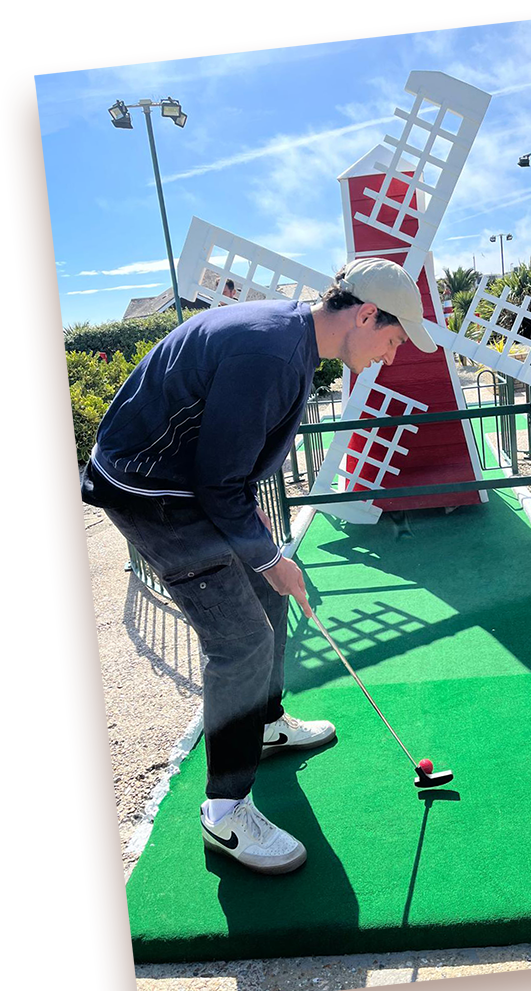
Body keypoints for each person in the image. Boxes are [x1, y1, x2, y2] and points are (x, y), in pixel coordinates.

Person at [81, 258, 437, 875]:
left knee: (270, 591)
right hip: (152, 493)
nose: (391, 355)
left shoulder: (294, 341)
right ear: (367, 314)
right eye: (393, 338)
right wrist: (268, 555)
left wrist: (269, 557)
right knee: (241, 640)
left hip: (185, 483)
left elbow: (229, 473)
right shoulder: (272, 354)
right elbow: (217, 484)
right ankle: (224, 812)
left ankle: (265, 723)